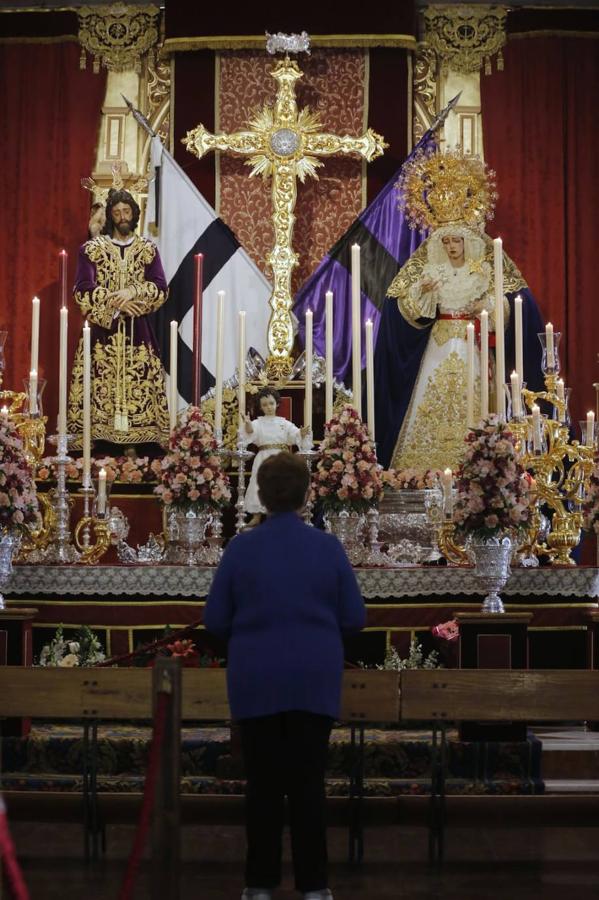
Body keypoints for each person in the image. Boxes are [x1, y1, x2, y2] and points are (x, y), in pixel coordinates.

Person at [204, 452, 366, 900]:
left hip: (256, 679)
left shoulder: (240, 547)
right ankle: (315, 886)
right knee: (309, 785)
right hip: (313, 679)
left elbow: (215, 618)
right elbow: (354, 617)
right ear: (306, 493)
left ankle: (259, 884)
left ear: (259, 493)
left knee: (263, 787)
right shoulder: (327, 547)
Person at [376, 147, 544, 470]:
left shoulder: (485, 268)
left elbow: (510, 305)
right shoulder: (430, 269)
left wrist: (489, 306)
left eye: (457, 241)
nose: (452, 247)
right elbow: (407, 307)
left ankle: (479, 469)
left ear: (468, 241)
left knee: (477, 405)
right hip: (438, 346)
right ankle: (420, 471)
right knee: (431, 406)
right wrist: (420, 292)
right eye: (447, 242)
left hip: (475, 349)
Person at [67, 189, 170, 454]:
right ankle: (100, 449)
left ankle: (144, 448)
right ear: (110, 217)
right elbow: (83, 289)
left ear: (134, 214)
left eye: (126, 212)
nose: (122, 217)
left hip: (139, 336)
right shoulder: (91, 250)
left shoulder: (147, 250)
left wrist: (132, 292)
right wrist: (117, 302)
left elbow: (160, 288)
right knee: (98, 390)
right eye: (116, 213)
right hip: (102, 337)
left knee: (144, 390)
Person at [241, 387, 312, 527]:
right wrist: (248, 424)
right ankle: (257, 515)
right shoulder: (258, 423)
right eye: (265, 405)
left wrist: (301, 433)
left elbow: (295, 434)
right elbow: (250, 433)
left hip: (282, 458)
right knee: (258, 483)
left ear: (277, 403)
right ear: (261, 407)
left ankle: (285, 514)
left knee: (284, 484)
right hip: (263, 458)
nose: (268, 407)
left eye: (271, 403)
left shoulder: (283, 423)